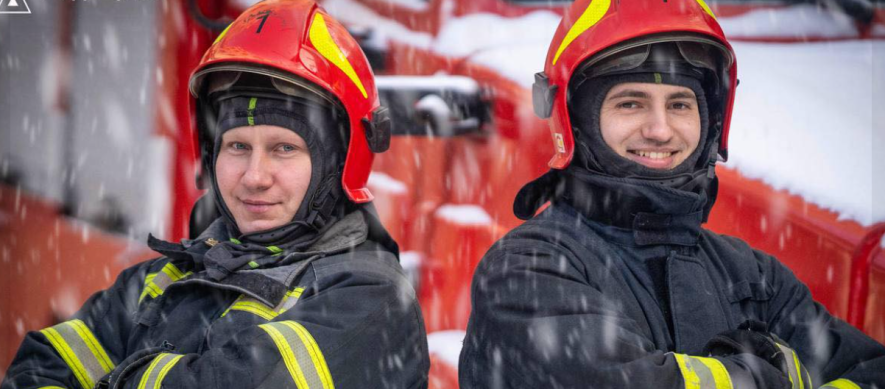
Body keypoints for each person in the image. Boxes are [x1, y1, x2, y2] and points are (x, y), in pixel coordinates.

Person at [1, 1, 429, 388]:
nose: (254, 177)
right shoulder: (168, 276)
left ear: (339, 165)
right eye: (237, 146)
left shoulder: (369, 301)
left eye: (284, 149)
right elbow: (36, 370)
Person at [459, 0, 885, 388]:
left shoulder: (754, 278)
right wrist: (775, 377)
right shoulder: (527, 271)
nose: (660, 130)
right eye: (630, 103)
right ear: (576, 121)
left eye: (680, 104)